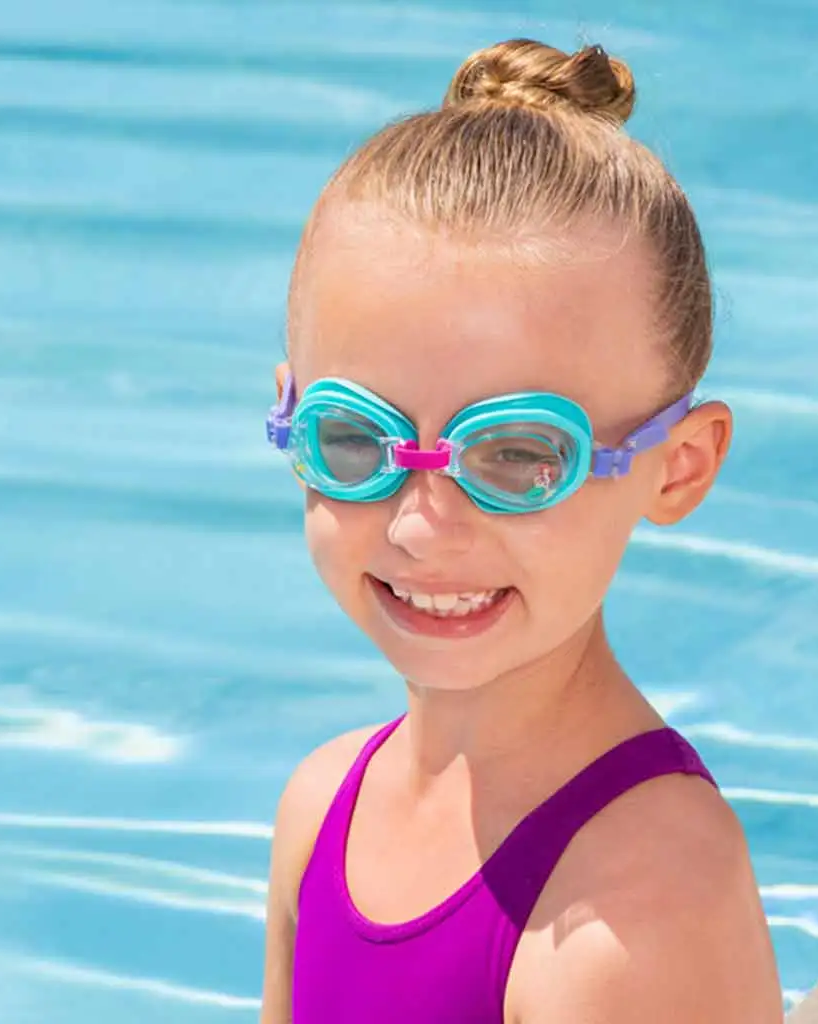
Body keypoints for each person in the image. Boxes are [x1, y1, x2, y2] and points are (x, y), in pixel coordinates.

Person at [259, 37, 783, 1024]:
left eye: (515, 455)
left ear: (677, 466)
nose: (422, 526)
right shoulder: (320, 807)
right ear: (291, 421)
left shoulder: (635, 912)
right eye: (356, 438)